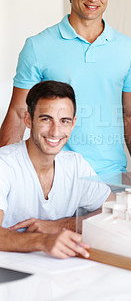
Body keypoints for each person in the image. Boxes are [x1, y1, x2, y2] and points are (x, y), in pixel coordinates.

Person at [0, 0, 131, 174]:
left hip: (111, 176)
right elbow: (19, 113)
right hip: (53, 175)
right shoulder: (37, 46)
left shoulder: (127, 48)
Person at [0, 81, 111, 258]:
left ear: (73, 123)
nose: (55, 131)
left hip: (58, 272)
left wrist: (60, 225)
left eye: (64, 121)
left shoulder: (76, 165)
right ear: (28, 119)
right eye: (46, 119)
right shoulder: (4, 164)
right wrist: (43, 241)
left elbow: (113, 209)